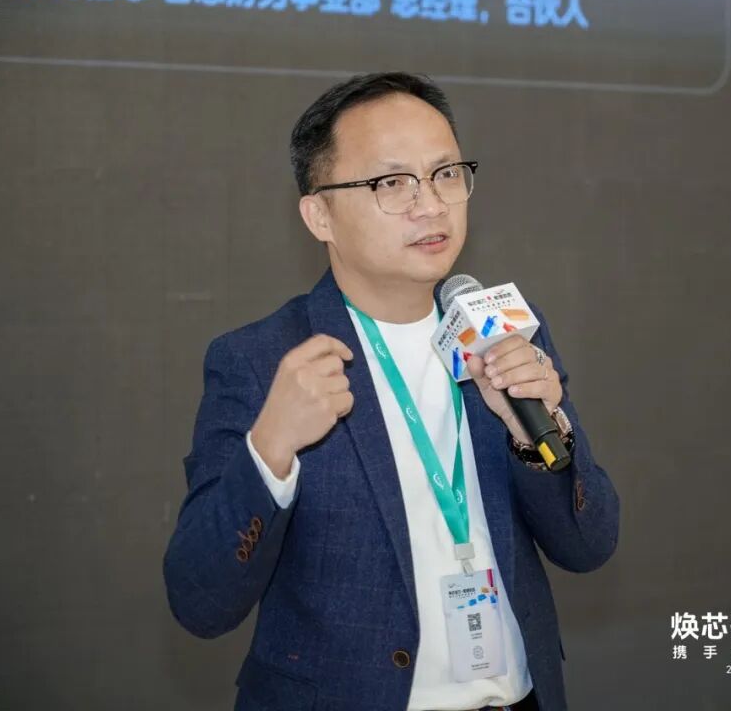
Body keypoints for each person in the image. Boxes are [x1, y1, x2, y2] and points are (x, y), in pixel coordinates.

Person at [163, 71, 620, 711]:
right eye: (392, 182)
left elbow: (588, 544)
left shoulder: (503, 333)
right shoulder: (263, 361)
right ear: (319, 214)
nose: (430, 204)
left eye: (445, 174)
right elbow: (200, 601)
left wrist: (538, 440)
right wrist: (269, 450)